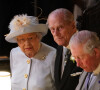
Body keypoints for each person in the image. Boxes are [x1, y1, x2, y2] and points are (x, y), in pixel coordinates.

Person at [5, 14, 56, 90]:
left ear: (38, 37)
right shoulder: (14, 53)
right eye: (22, 39)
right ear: (17, 41)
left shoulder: (53, 55)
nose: (27, 44)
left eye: (30, 38)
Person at [47, 8, 82, 90]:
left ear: (73, 26)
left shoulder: (84, 45)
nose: (56, 33)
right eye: (52, 29)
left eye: (60, 28)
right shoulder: (59, 49)